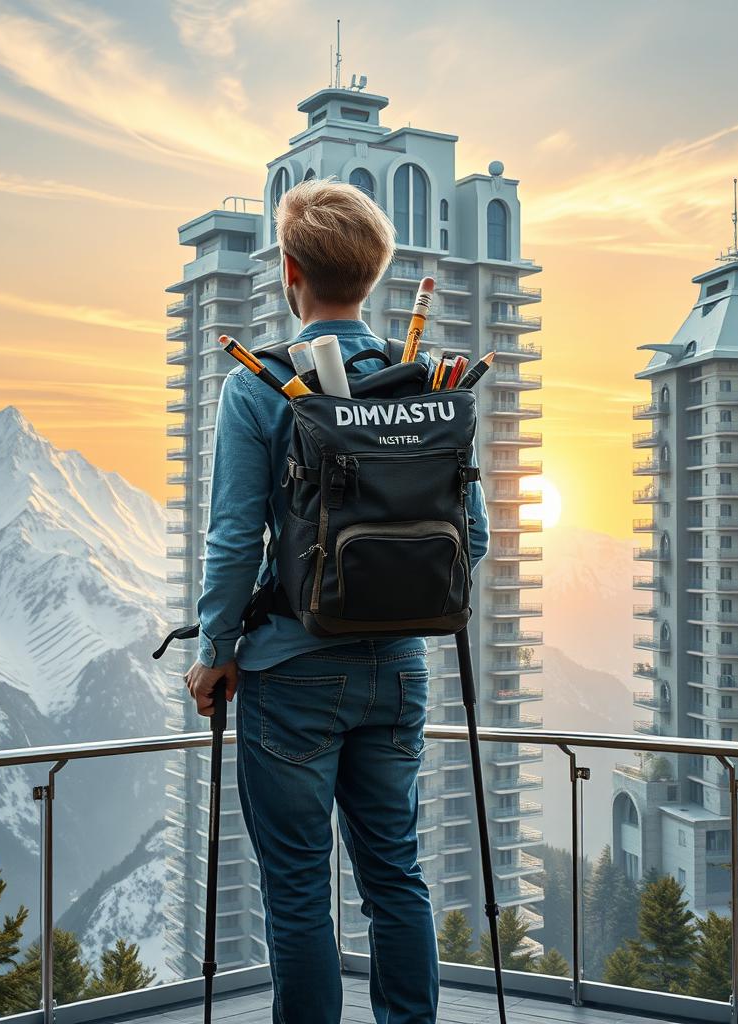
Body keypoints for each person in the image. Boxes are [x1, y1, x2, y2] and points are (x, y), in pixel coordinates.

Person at [184, 176, 489, 1024]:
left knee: (297, 891)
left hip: (289, 672)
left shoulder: (260, 386)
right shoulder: (424, 382)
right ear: (377, 273)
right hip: (400, 667)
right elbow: (477, 539)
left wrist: (215, 655)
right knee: (396, 874)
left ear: (289, 269)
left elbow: (235, 541)